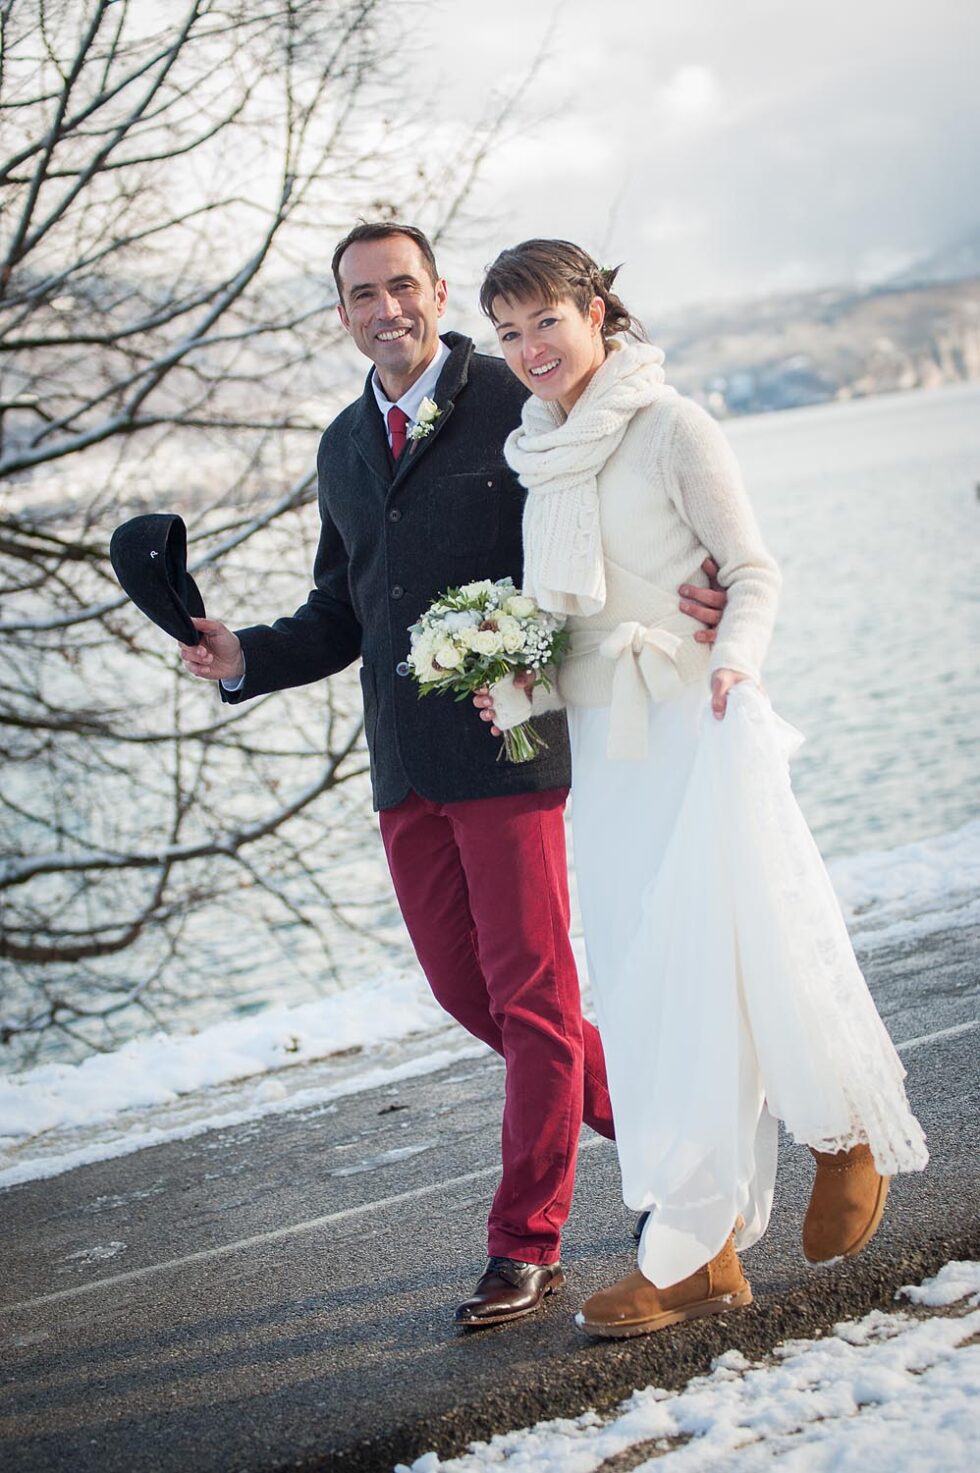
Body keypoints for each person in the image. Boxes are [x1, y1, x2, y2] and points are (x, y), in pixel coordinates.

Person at [177, 222, 728, 1328]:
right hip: (402, 763)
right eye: (359, 294)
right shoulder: (341, 444)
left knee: (532, 994)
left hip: (512, 739)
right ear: (340, 313)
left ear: (434, 293)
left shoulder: (513, 398)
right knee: (467, 992)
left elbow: (616, 492)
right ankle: (676, 1149)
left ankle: (526, 1241)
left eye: (400, 287)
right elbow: (344, 608)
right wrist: (249, 659)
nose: (383, 309)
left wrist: (696, 579)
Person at [475, 238, 928, 1339]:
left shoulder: (669, 425)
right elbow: (576, 620)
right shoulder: (537, 455)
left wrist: (733, 658)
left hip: (695, 722)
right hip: (611, 757)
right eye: (508, 333)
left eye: (546, 321)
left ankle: (832, 1138)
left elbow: (752, 569)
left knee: (740, 947)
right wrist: (522, 688)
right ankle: (705, 1240)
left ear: (596, 311)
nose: (530, 349)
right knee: (644, 989)